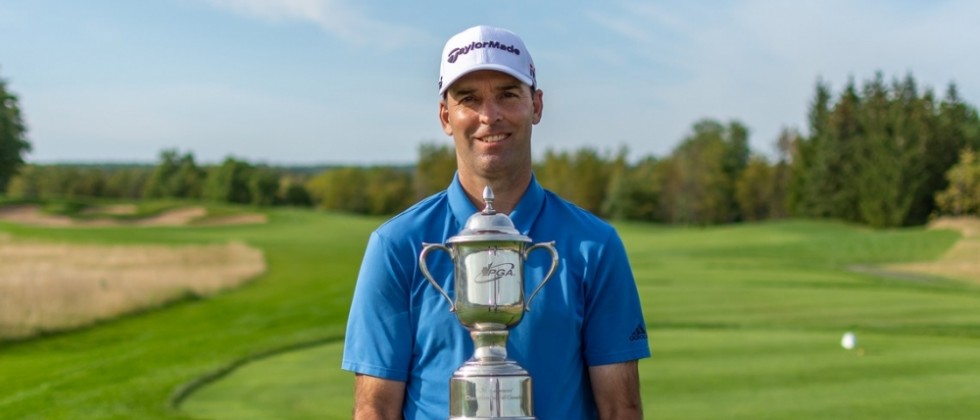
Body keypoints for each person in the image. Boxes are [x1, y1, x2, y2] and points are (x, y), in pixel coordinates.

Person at [342, 25, 650, 419]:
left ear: (536, 105)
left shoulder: (594, 245)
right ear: (445, 116)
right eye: (469, 99)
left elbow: (620, 408)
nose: (490, 115)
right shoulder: (397, 245)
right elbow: (374, 410)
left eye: (507, 94)